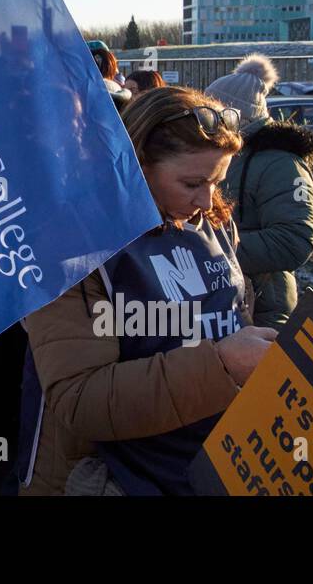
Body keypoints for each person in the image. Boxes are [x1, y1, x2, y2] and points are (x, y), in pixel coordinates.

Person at [21, 86, 278, 495]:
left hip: (208, 465)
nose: (206, 199)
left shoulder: (212, 221)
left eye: (217, 180)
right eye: (192, 182)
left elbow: (228, 315)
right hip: (118, 477)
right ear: (138, 163)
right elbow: (79, 399)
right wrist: (223, 365)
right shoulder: (71, 243)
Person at [205, 54, 313, 327]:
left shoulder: (282, 163)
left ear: (236, 115)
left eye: (213, 111)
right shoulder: (230, 154)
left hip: (265, 305)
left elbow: (295, 240)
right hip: (229, 295)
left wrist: (212, 252)